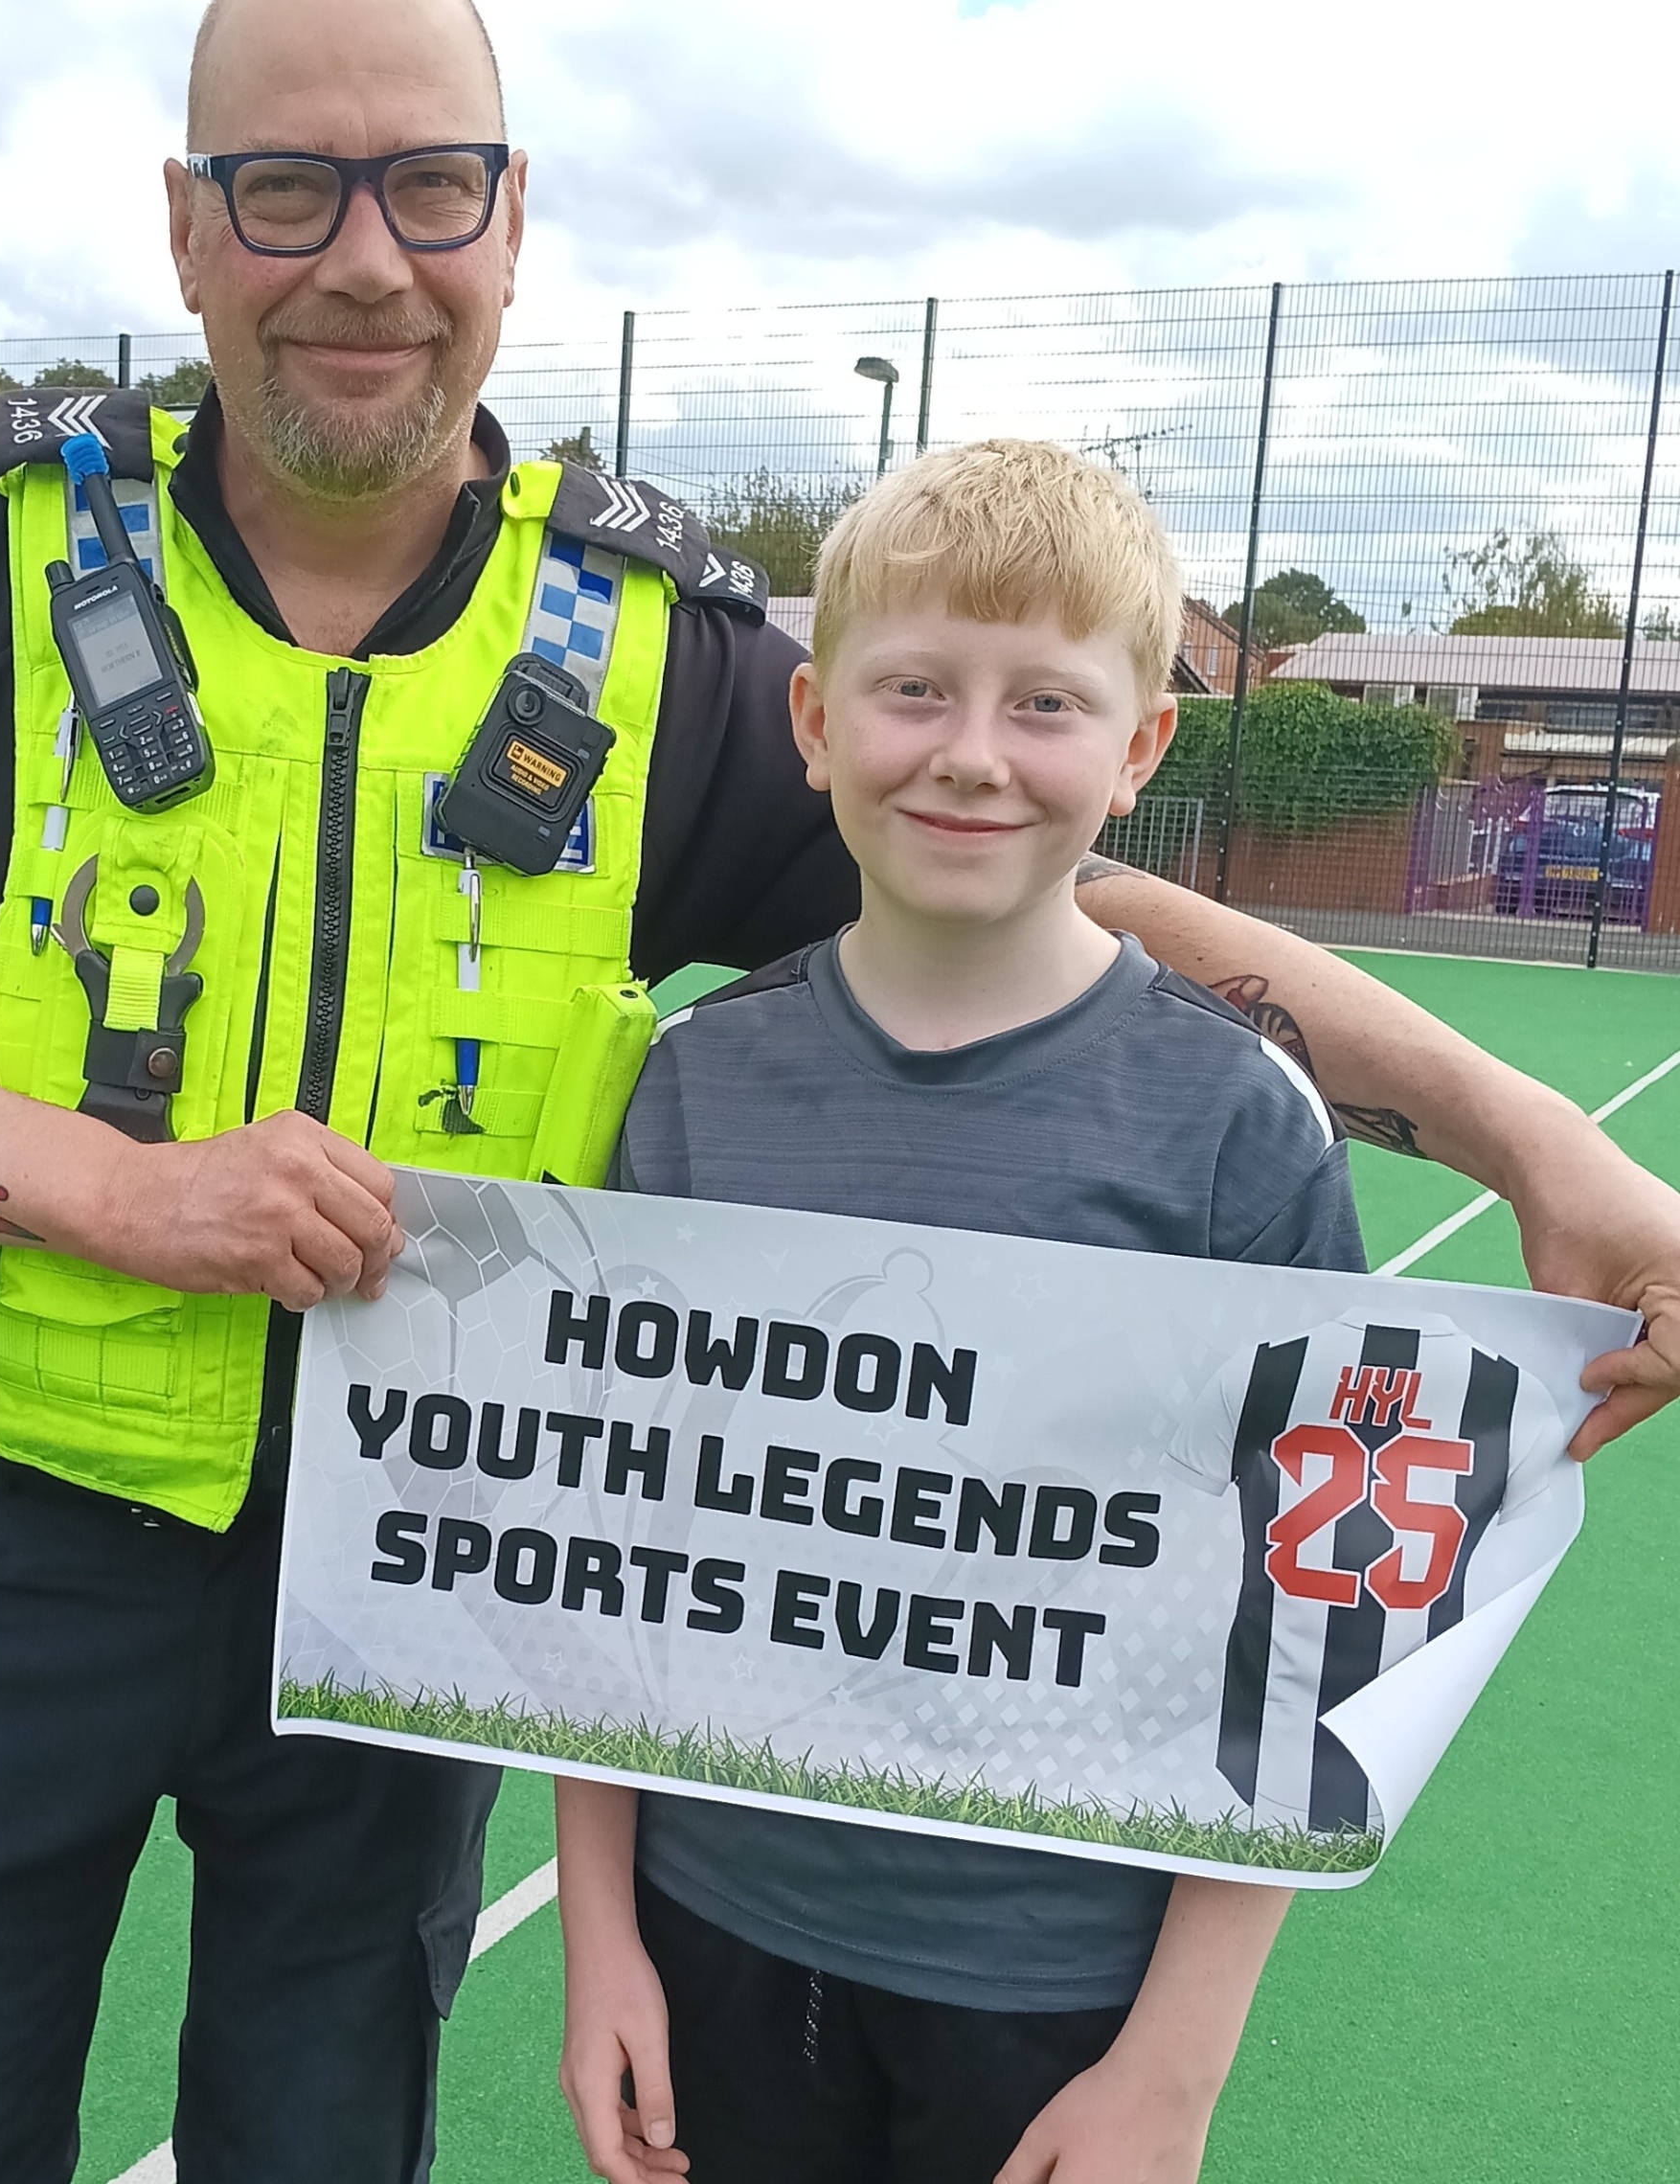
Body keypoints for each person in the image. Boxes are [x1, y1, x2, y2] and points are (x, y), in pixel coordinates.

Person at [0, 0, 1678, 2176]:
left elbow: (1060, 902)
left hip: (418, 1569)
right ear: (190, 235)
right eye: (286, 188)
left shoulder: (646, 650)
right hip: (2, 1544)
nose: (367, 261)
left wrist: (1535, 1136)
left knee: (320, 2142)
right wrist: (119, 1201)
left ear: (514, 223)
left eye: (432, 185)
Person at [555, 440, 1366, 2184]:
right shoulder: (694, 1088)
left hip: (1056, 1974)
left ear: (1142, 747)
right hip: (717, 1927)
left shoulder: (1236, 1128)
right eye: (913, 687)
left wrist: (1176, 2070)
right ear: (812, 722)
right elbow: (604, 1521)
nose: (975, 756)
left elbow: (1308, 1626)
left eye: (1048, 705)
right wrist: (597, 1931)